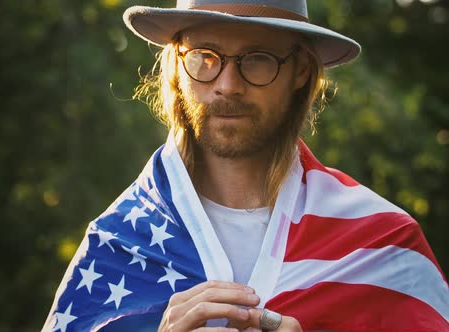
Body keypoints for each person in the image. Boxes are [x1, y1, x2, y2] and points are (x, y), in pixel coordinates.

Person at [42, 1, 449, 331]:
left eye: (257, 59)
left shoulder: (381, 243)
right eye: (204, 57)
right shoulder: (117, 243)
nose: (227, 84)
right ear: (176, 64)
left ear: (301, 72)